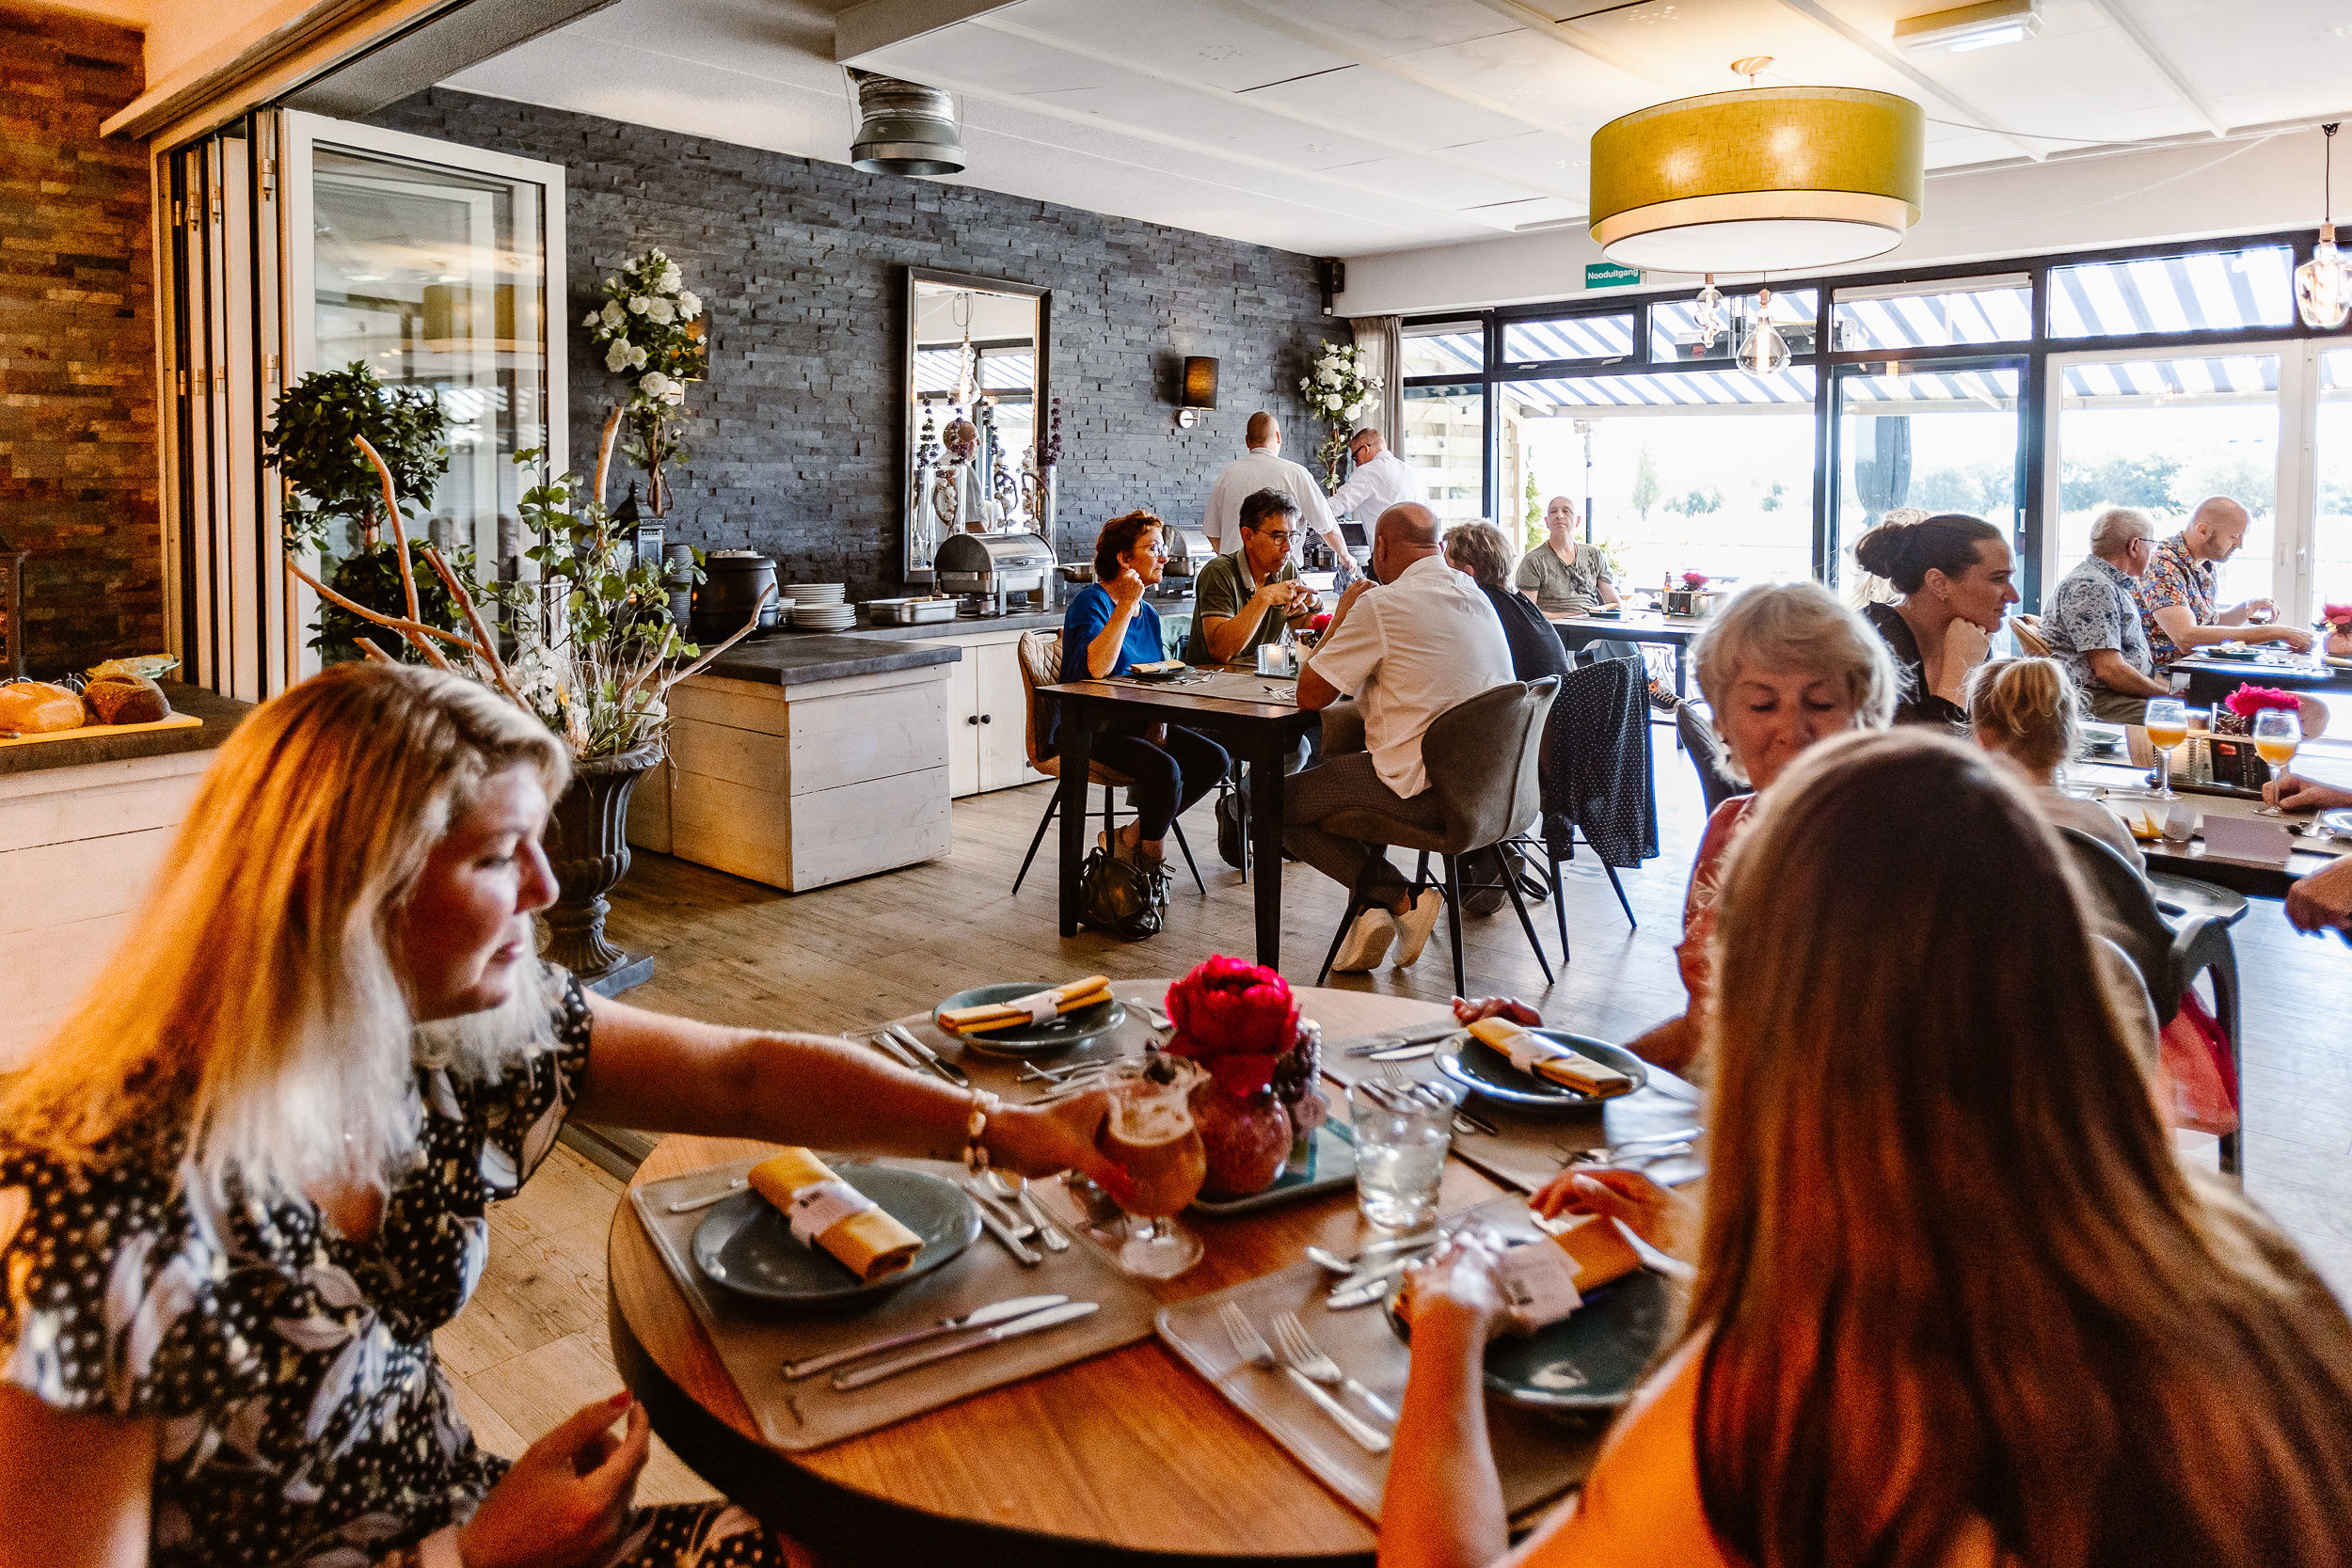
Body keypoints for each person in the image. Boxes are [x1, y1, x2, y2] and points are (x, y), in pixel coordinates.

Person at [0, 662, 1130, 1568]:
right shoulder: (102, 1211)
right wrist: (472, 1552)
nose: (547, 887)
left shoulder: (438, 1034)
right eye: (499, 854)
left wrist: (1002, 1128)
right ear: (347, 894)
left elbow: (739, 1074)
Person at [1382, 728, 2352, 1568]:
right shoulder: (2266, 1284)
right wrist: (1696, 1229)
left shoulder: (1802, 1397)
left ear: (1772, 1027)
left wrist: (1449, 1328)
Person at [1622, 581, 1896, 1075]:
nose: (1793, 731)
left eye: (1821, 704)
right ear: (1722, 721)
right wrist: (1563, 1072)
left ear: (1866, 712)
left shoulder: (1895, 853)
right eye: (1763, 706)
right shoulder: (1729, 827)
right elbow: (1704, 1028)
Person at [1283, 502, 1514, 972]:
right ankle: (1372, 912)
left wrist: (1346, 612)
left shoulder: (1382, 605)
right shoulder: (1472, 591)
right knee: (1336, 776)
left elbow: (1310, 694)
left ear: (1383, 546)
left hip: (1428, 794)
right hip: (1496, 789)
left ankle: (1401, 897)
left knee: (1267, 800)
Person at [1057, 510, 1232, 871]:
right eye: (1154, 548)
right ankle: (1153, 865)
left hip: (1134, 724)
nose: (1165, 557)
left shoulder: (1148, 614)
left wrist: (1161, 719)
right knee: (1164, 771)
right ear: (1124, 558)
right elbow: (1097, 669)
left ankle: (1130, 838)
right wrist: (1124, 606)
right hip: (1090, 727)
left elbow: (1156, 676)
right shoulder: (1091, 603)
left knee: (1214, 759)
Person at [1966, 656, 2142, 866]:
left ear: (1983, 740)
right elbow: (2140, 896)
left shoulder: (1969, 827)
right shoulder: (2101, 823)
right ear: (2073, 737)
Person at [1851, 511, 2019, 726]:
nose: (2014, 596)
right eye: (1998, 579)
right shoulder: (1869, 643)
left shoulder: (1970, 637)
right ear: (1939, 583)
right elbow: (1913, 757)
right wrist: (1959, 671)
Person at [2138, 495, 2315, 672]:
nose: (2239, 545)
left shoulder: (2204, 564)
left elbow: (2207, 626)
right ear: (2203, 531)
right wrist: (2277, 632)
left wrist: (2246, 608)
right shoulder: (2163, 564)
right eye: (2234, 536)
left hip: (2200, 669)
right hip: (2170, 678)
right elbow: (2186, 638)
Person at [2042, 505, 2171, 724]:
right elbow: (2109, 671)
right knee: (2183, 719)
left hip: (2113, 694)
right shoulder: (2091, 586)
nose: (2154, 552)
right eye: (2153, 544)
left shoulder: (2109, 583)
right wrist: (2168, 696)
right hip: (2093, 698)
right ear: (2135, 546)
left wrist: (2166, 689)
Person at [1184, 487, 1323, 666]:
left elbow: (1303, 635)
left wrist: (1315, 607)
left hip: (1261, 680)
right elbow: (1221, 652)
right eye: (1278, 536)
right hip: (1208, 683)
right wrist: (1263, 597)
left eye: (1292, 536)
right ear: (1248, 536)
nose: (1288, 547)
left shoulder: (1287, 569)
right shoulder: (1219, 572)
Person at [1200, 410, 1342, 560]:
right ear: (1279, 437)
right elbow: (1327, 527)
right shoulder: (1296, 473)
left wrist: (1231, 563)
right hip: (1282, 575)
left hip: (1234, 575)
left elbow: (1213, 533)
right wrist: (1346, 559)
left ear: (1247, 441)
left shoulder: (1227, 474)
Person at [1444, 521, 1570, 685]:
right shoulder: (1520, 602)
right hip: (1552, 702)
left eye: (1447, 567)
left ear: (1468, 573)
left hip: (1527, 706)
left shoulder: (1480, 608)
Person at [1513, 497, 1619, 617]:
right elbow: (1526, 613)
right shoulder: (1534, 560)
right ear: (1546, 522)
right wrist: (1573, 616)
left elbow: (1614, 603)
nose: (1560, 515)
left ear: (1578, 521)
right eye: (1553, 511)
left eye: (1566, 511)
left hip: (1592, 627)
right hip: (1554, 630)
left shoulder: (1594, 554)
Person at [1326, 427, 1421, 539]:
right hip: (1420, 550)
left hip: (1389, 553)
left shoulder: (1368, 471)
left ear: (1366, 448)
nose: (1357, 464)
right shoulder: (1411, 471)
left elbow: (1339, 504)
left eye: (1355, 457)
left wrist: (1306, 510)